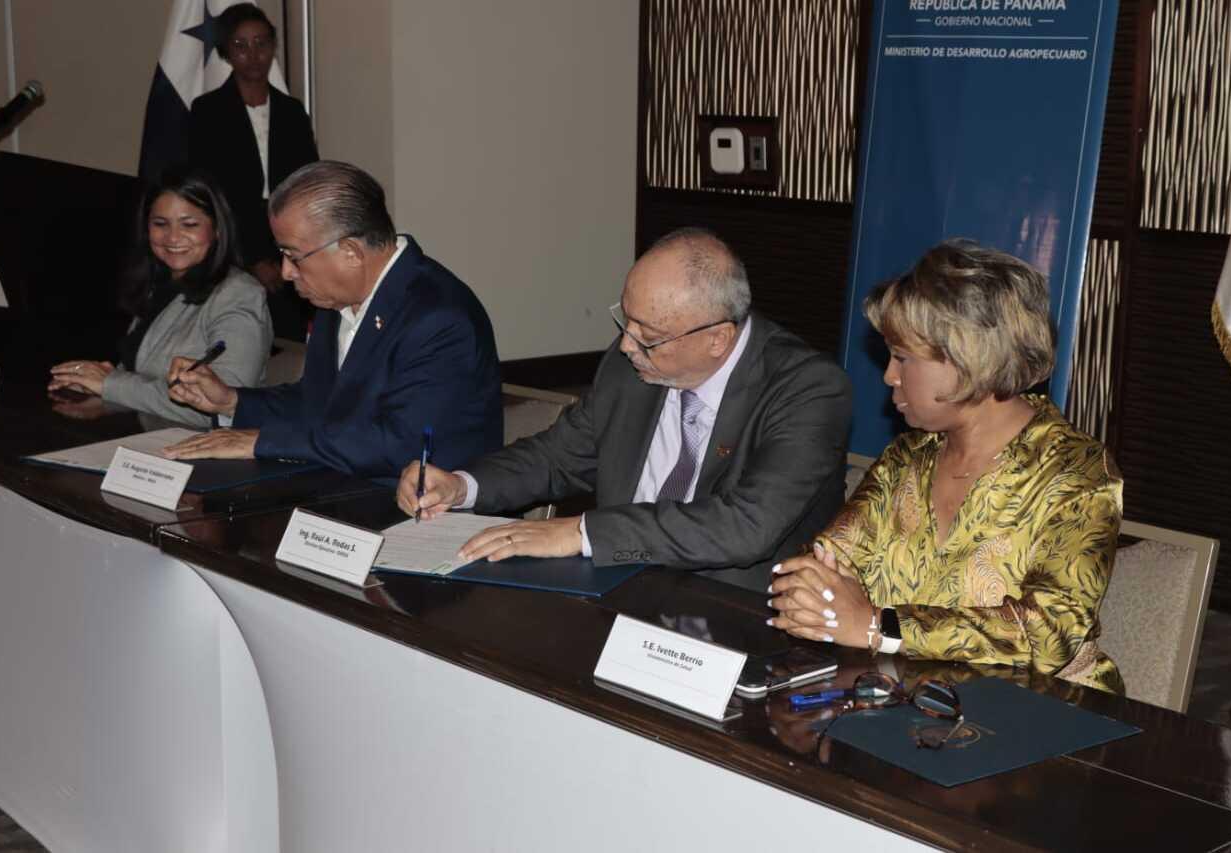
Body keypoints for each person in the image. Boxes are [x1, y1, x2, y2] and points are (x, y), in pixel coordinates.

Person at [394, 228, 851, 592]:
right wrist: (462, 486)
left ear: (718, 339)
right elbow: (558, 457)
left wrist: (584, 533)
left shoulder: (807, 390)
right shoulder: (629, 365)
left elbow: (744, 526)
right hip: (616, 589)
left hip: (729, 611)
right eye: (625, 320)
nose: (627, 345)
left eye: (647, 336)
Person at [769, 239, 1125, 695]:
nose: (889, 376)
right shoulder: (908, 458)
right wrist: (814, 596)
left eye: (902, 358)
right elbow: (823, 563)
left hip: (1040, 714)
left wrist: (880, 626)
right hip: (905, 701)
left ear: (968, 359)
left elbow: (1048, 634)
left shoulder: (1076, 471)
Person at [162, 160, 502, 481]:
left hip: (416, 507)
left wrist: (261, 441)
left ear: (350, 252)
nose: (285, 272)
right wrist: (232, 401)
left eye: (293, 256)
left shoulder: (438, 317)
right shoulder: (335, 298)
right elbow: (319, 403)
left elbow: (399, 444)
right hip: (340, 491)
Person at [49, 168, 271, 427]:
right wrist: (97, 390)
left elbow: (220, 405)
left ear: (217, 229)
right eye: (160, 224)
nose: (173, 237)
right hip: (150, 440)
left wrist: (110, 383)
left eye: (189, 224)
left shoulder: (239, 293)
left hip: (209, 448)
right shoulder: (160, 285)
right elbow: (142, 381)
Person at [190, 2, 318, 341]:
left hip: (288, 242)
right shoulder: (207, 112)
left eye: (261, 43)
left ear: (273, 46)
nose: (253, 54)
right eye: (241, 45)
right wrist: (250, 259)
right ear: (226, 52)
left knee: (289, 342)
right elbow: (208, 196)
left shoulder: (292, 113)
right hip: (232, 246)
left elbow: (308, 185)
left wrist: (287, 254)